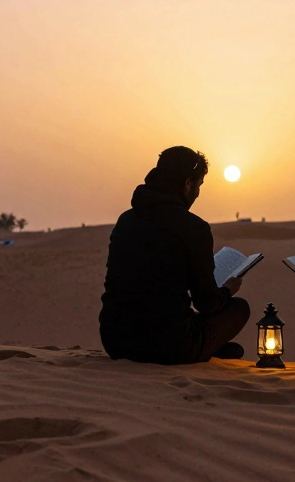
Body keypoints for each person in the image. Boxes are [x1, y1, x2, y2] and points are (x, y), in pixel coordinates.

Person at [99, 146, 251, 364]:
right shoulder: (193, 228)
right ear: (188, 183)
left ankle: (207, 345)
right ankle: (204, 347)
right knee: (239, 308)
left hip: (115, 341)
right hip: (168, 346)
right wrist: (227, 290)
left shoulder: (126, 220)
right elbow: (206, 304)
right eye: (199, 185)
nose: (198, 193)